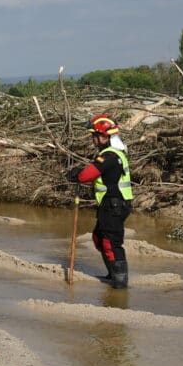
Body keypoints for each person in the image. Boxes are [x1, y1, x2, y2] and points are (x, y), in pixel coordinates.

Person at [67, 114, 133, 288]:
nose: (93, 139)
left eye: (94, 136)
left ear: (104, 136)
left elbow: (87, 175)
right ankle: (113, 275)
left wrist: (77, 175)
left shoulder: (109, 156)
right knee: (99, 238)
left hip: (114, 205)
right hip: (111, 205)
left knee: (111, 243)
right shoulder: (112, 153)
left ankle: (119, 285)